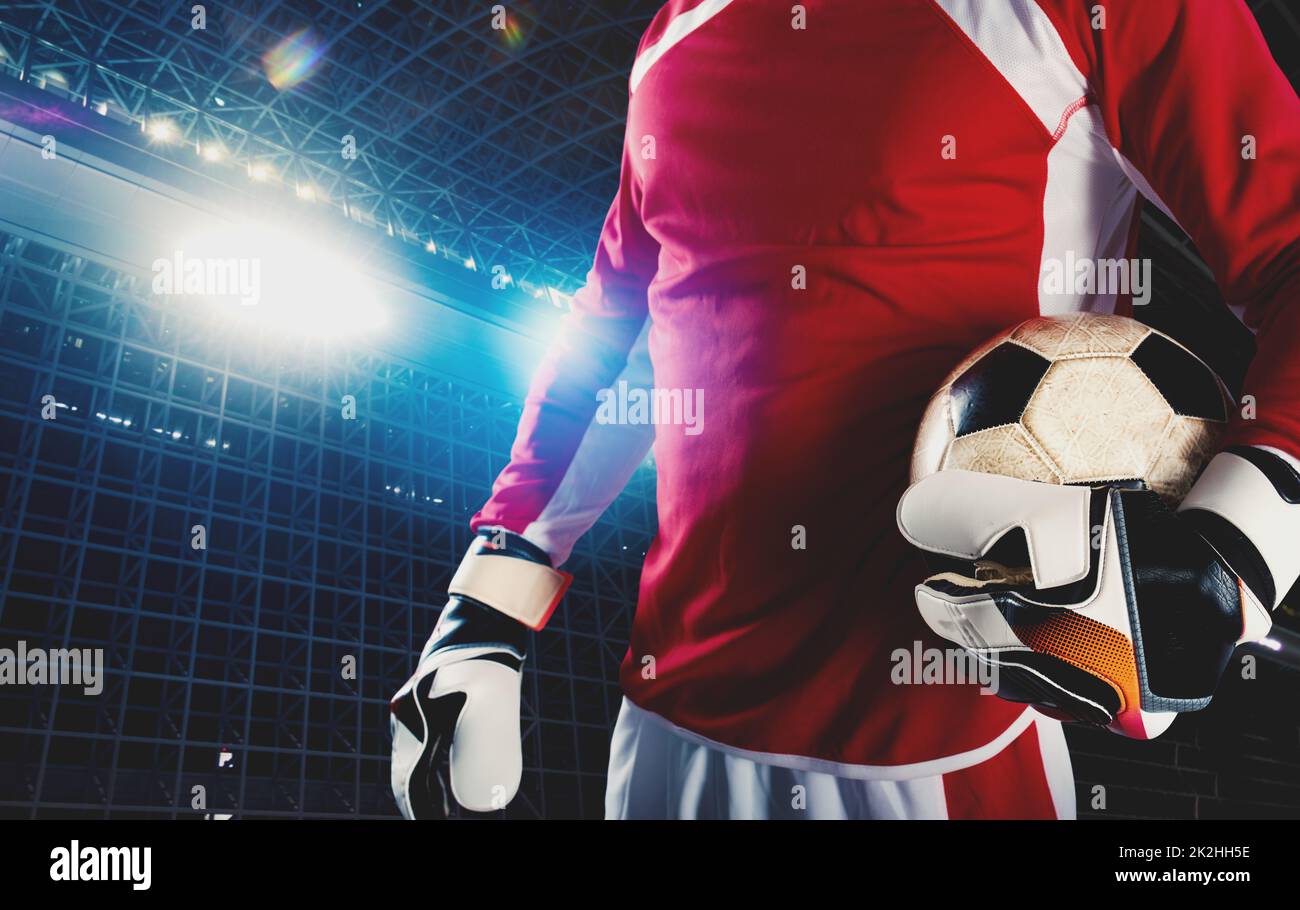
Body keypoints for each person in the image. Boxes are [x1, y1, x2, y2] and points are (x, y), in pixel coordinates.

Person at [390, 0, 1300, 820]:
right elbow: (621, 328)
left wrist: (1234, 544)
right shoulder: (670, 36)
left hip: (944, 748)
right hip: (667, 733)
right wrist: (489, 597)